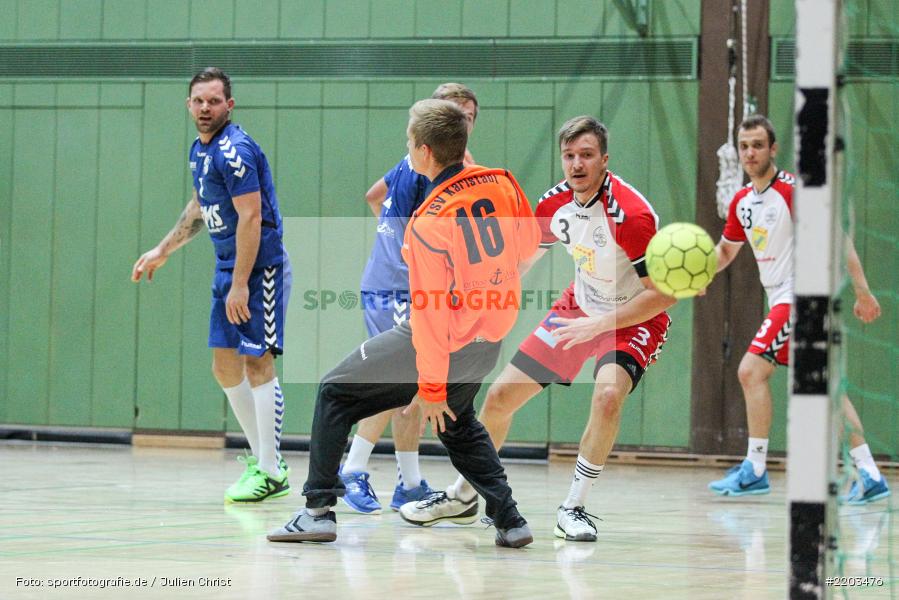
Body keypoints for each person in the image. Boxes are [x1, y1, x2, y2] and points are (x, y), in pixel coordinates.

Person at [267, 98, 540, 547]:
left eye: (409, 142)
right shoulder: (503, 182)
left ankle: (317, 511)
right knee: (459, 423)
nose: (408, 149)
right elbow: (528, 242)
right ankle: (510, 520)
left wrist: (429, 388)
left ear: (425, 152)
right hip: (489, 337)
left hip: (443, 339)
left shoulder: (428, 222)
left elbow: (431, 316)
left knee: (335, 392)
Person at [400, 116, 675, 542]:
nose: (576, 164)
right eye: (569, 156)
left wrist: (599, 325)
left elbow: (664, 294)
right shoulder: (553, 203)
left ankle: (575, 507)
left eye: (586, 155)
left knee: (606, 396)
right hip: (578, 306)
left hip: (632, 316)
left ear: (605, 159)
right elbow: (520, 260)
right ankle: (464, 496)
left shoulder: (632, 214)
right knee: (499, 397)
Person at [707, 115, 890, 505]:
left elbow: (837, 238)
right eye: (744, 146)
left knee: (750, 371)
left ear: (773, 149)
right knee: (824, 389)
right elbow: (725, 253)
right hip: (781, 297)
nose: (750, 153)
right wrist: (698, 272)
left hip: (801, 297)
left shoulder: (793, 191)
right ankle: (870, 474)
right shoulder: (742, 201)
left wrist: (863, 292)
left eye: (758, 145)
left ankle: (755, 469)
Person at [132, 67, 292, 503]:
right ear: (188, 105)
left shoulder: (236, 151)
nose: (205, 108)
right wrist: (164, 249)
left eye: (214, 101)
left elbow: (251, 217)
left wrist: (241, 283)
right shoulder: (201, 150)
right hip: (227, 268)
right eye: (198, 101)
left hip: (259, 271)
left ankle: (270, 467)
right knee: (224, 367)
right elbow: (202, 205)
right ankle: (264, 462)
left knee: (257, 363)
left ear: (229, 105)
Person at [341, 84, 479, 514]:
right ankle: (353, 469)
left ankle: (410, 482)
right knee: (398, 382)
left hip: (397, 283)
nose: (461, 123)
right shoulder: (442, 168)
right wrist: (403, 254)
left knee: (413, 387)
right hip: (399, 287)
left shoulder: (415, 159)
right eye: (455, 114)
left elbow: (372, 196)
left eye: (468, 117)